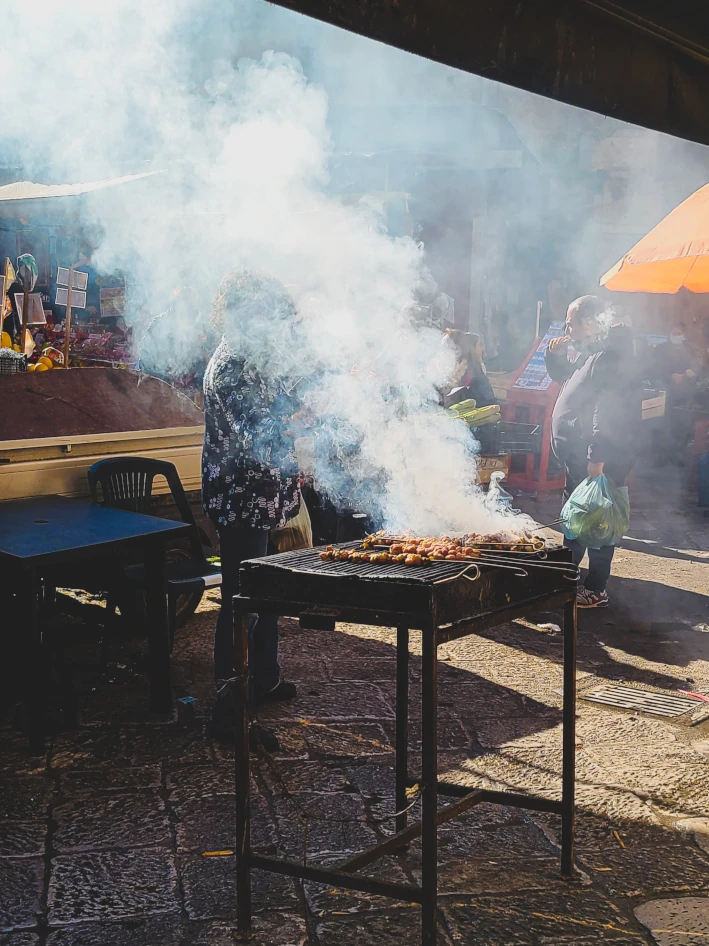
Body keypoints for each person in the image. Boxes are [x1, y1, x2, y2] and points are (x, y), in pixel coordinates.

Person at [202, 270, 302, 750]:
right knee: (242, 605)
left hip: (262, 499)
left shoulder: (254, 357)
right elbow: (256, 437)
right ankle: (229, 711)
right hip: (241, 499)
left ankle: (264, 679)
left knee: (266, 595)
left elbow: (282, 401)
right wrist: (304, 432)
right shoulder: (234, 365)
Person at [546, 295, 641, 608]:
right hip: (581, 459)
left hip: (598, 460)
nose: (567, 329)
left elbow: (607, 411)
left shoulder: (609, 355)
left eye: (571, 323)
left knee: (599, 523)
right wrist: (555, 359)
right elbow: (571, 383)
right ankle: (565, 581)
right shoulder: (593, 352)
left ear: (588, 323)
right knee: (577, 520)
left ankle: (595, 588)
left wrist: (596, 459)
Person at [139, 287, 215, 399]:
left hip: (191, 396)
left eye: (192, 310)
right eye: (185, 309)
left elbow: (205, 370)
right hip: (161, 392)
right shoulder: (158, 327)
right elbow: (147, 364)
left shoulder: (201, 328)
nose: (189, 315)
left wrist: (203, 348)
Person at [650, 322, 701, 464]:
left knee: (682, 424)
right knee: (665, 424)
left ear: (683, 335)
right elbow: (654, 369)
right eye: (674, 333)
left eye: (679, 334)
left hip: (684, 393)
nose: (676, 336)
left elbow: (697, 366)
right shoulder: (660, 349)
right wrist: (670, 376)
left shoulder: (689, 349)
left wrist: (692, 372)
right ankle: (662, 455)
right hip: (666, 391)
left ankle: (678, 454)